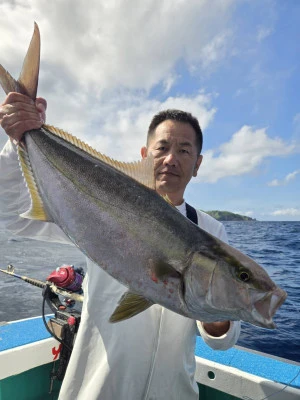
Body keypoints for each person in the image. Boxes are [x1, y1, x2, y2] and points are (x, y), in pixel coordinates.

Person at [0, 93, 241, 400]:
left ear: (197, 164)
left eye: (184, 150)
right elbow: (13, 216)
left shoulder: (211, 232)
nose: (171, 159)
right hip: (97, 389)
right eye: (163, 148)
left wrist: (217, 314)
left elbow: (222, 341)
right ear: (144, 155)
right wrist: (17, 140)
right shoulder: (100, 206)